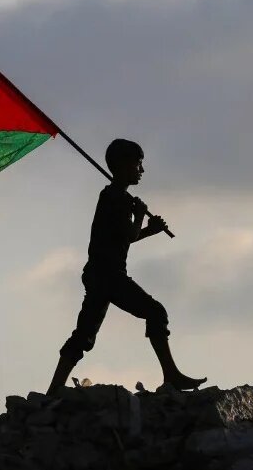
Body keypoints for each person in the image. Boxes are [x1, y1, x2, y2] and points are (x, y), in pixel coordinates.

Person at [46, 138, 207, 395]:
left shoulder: (112, 196)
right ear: (123, 165)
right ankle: (171, 375)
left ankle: (54, 388)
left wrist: (148, 229)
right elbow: (129, 237)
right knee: (155, 312)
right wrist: (141, 215)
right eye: (138, 164)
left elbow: (123, 236)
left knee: (84, 334)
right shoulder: (117, 199)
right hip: (109, 275)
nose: (141, 170)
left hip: (99, 274)